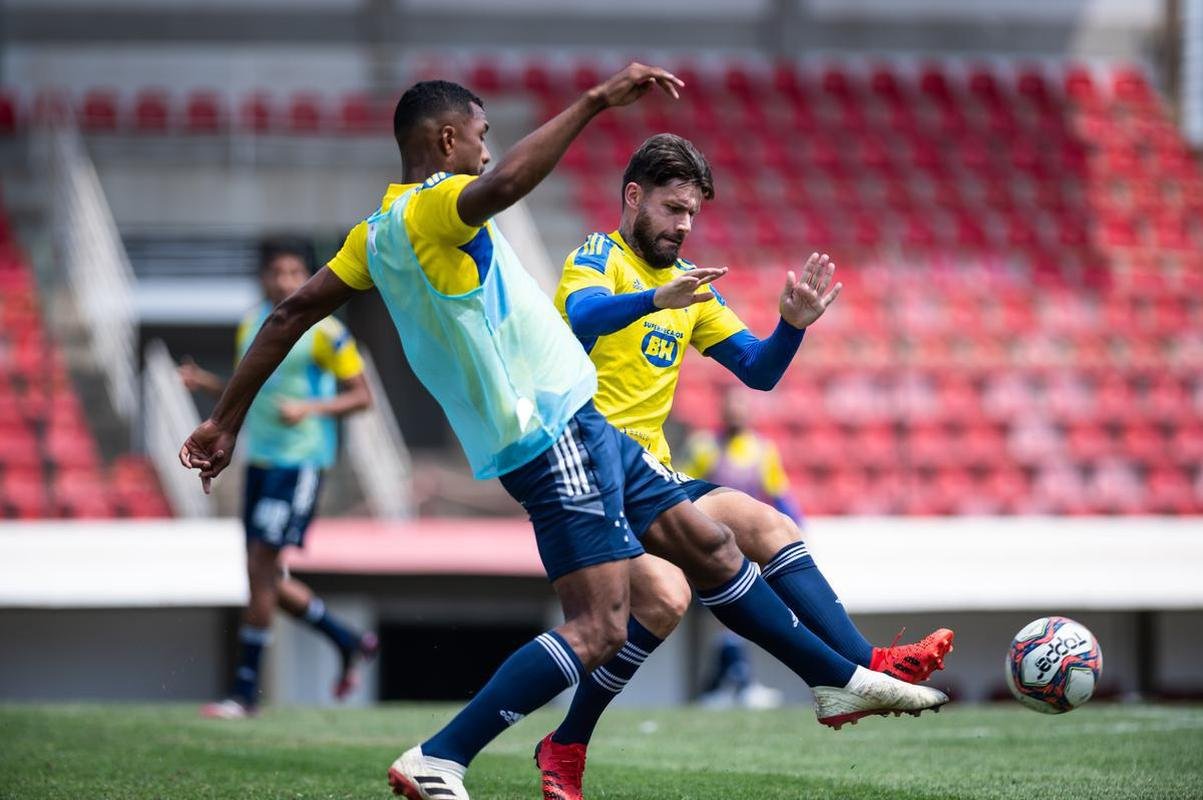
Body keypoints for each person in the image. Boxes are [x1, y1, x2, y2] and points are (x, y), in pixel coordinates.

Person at [178, 67, 948, 800]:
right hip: (551, 431)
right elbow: (510, 189)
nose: (486, 148)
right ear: (446, 141)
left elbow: (288, 316)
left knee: (712, 549)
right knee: (600, 627)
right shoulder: (434, 204)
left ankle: (834, 679)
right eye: (479, 133)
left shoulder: (371, 235)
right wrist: (595, 101)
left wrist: (223, 420)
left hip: (584, 427)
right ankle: (441, 755)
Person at [535, 134, 954, 799]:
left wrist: (791, 326)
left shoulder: (690, 286)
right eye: (672, 209)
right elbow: (579, 316)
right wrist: (654, 300)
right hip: (591, 476)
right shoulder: (600, 256)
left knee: (765, 525)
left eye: (692, 215)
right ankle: (565, 744)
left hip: (653, 475)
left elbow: (756, 371)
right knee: (668, 598)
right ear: (633, 197)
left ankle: (862, 663)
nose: (682, 226)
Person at [177, 237, 376, 718]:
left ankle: (245, 693)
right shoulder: (254, 325)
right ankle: (346, 639)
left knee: (260, 570)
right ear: (264, 277)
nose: (286, 281)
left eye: (294, 273)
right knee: (260, 572)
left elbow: (362, 396)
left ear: (306, 276)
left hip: (300, 461)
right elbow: (255, 385)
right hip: (259, 460)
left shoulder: (328, 333)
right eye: (277, 273)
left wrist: (311, 406)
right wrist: (207, 383)